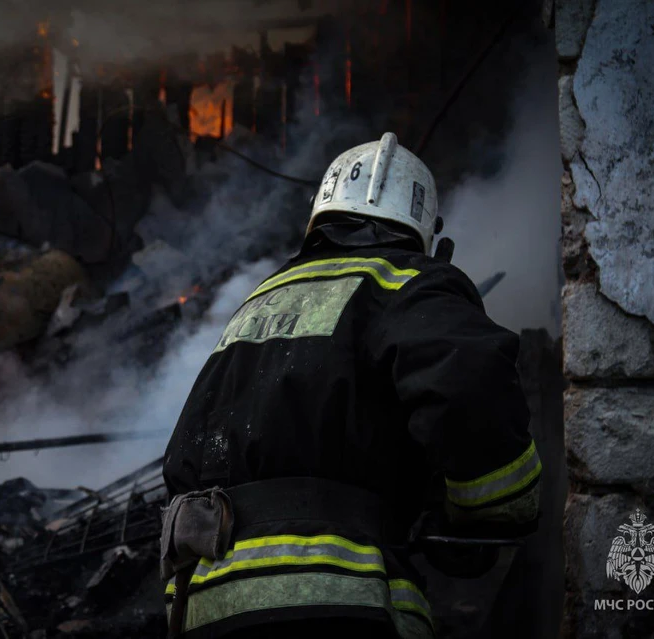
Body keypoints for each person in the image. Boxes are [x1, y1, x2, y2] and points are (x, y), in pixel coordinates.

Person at [160, 132, 541, 638]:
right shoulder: (403, 280)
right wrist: (491, 508)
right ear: (424, 231)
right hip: (332, 597)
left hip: (204, 602)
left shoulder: (261, 299)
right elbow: (470, 381)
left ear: (319, 217)